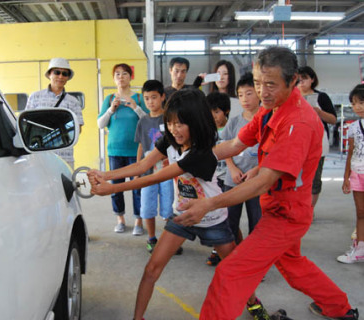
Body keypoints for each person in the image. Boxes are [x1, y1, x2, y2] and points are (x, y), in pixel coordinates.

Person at [175, 46, 358, 320]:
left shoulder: (298, 122)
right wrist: (192, 158)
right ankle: (339, 307)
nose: (262, 91)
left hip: (287, 215)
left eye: (270, 84)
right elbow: (236, 143)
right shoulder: (271, 109)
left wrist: (209, 203)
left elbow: (263, 182)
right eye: (258, 83)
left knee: (230, 272)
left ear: (293, 80)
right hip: (276, 206)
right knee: (292, 265)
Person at [89, 89, 270, 320]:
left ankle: (254, 304)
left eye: (181, 124)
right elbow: (143, 165)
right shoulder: (170, 140)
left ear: (196, 122)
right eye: (171, 123)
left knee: (235, 270)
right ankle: (138, 318)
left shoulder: (202, 153)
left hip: (213, 219)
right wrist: (105, 175)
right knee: (151, 269)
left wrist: (112, 188)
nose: (175, 129)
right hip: (182, 217)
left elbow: (156, 177)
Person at [97, 63, 149, 235]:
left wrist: (135, 107)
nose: (121, 77)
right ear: (114, 78)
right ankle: (120, 218)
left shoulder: (140, 98)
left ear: (131, 77)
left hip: (136, 151)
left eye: (125, 73)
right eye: (117, 74)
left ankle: (138, 220)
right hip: (115, 150)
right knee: (116, 187)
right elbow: (100, 124)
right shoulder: (109, 99)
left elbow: (149, 122)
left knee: (137, 186)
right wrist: (111, 109)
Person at [134, 80, 175, 254]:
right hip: (148, 173)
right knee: (147, 206)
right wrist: (138, 169)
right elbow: (141, 146)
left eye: (154, 97)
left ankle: (168, 242)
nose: (150, 102)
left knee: (169, 208)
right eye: (147, 98)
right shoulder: (142, 121)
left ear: (162, 97)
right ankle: (151, 239)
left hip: (167, 172)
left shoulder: (170, 118)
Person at [221, 72, 261, 245]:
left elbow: (272, 152)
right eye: (240, 95)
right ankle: (232, 255)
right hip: (233, 178)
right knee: (230, 220)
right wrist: (232, 168)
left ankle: (254, 258)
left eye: (249, 93)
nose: (244, 99)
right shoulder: (234, 121)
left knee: (257, 222)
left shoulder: (267, 121)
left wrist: (257, 170)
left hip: (257, 180)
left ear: (259, 92)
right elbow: (225, 147)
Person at [25, 57, 84, 168]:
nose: (60, 76)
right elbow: (27, 125)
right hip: (38, 155)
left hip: (64, 157)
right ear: (50, 74)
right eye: (57, 72)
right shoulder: (35, 97)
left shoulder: (73, 102)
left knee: (64, 185)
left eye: (64, 74)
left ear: (67, 78)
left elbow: (78, 129)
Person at [297, 66, 337, 213]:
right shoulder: (291, 96)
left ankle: (309, 209)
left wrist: (319, 112)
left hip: (318, 143)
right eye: (299, 79)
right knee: (295, 177)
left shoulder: (321, 97)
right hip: (296, 143)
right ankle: (298, 207)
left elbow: (333, 119)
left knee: (314, 179)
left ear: (312, 79)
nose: (301, 82)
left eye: (305, 78)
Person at [205, 91, 231, 266]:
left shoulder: (231, 128)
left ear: (226, 111)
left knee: (229, 218)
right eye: (210, 112)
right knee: (216, 215)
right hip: (213, 179)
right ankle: (217, 249)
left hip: (229, 178)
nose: (213, 116)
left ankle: (228, 250)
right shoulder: (207, 130)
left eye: (216, 111)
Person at [338, 83, 364, 264]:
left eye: (361, 102)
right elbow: (351, 151)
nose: (358, 107)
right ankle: (360, 249)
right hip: (357, 173)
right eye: (354, 103)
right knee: (361, 213)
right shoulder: (353, 127)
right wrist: (346, 176)